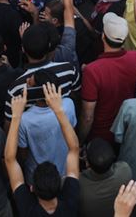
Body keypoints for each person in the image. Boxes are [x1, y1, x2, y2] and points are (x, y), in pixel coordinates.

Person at [6, 82, 80, 216]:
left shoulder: (27, 209)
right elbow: (74, 149)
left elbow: (10, 160)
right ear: (60, 184)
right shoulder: (71, 202)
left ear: (31, 188)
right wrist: (58, 110)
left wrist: (16, 116)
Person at [79, 12, 136, 143]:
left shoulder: (92, 71)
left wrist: (79, 141)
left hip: (100, 135)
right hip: (125, 127)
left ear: (103, 36)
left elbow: (87, 117)